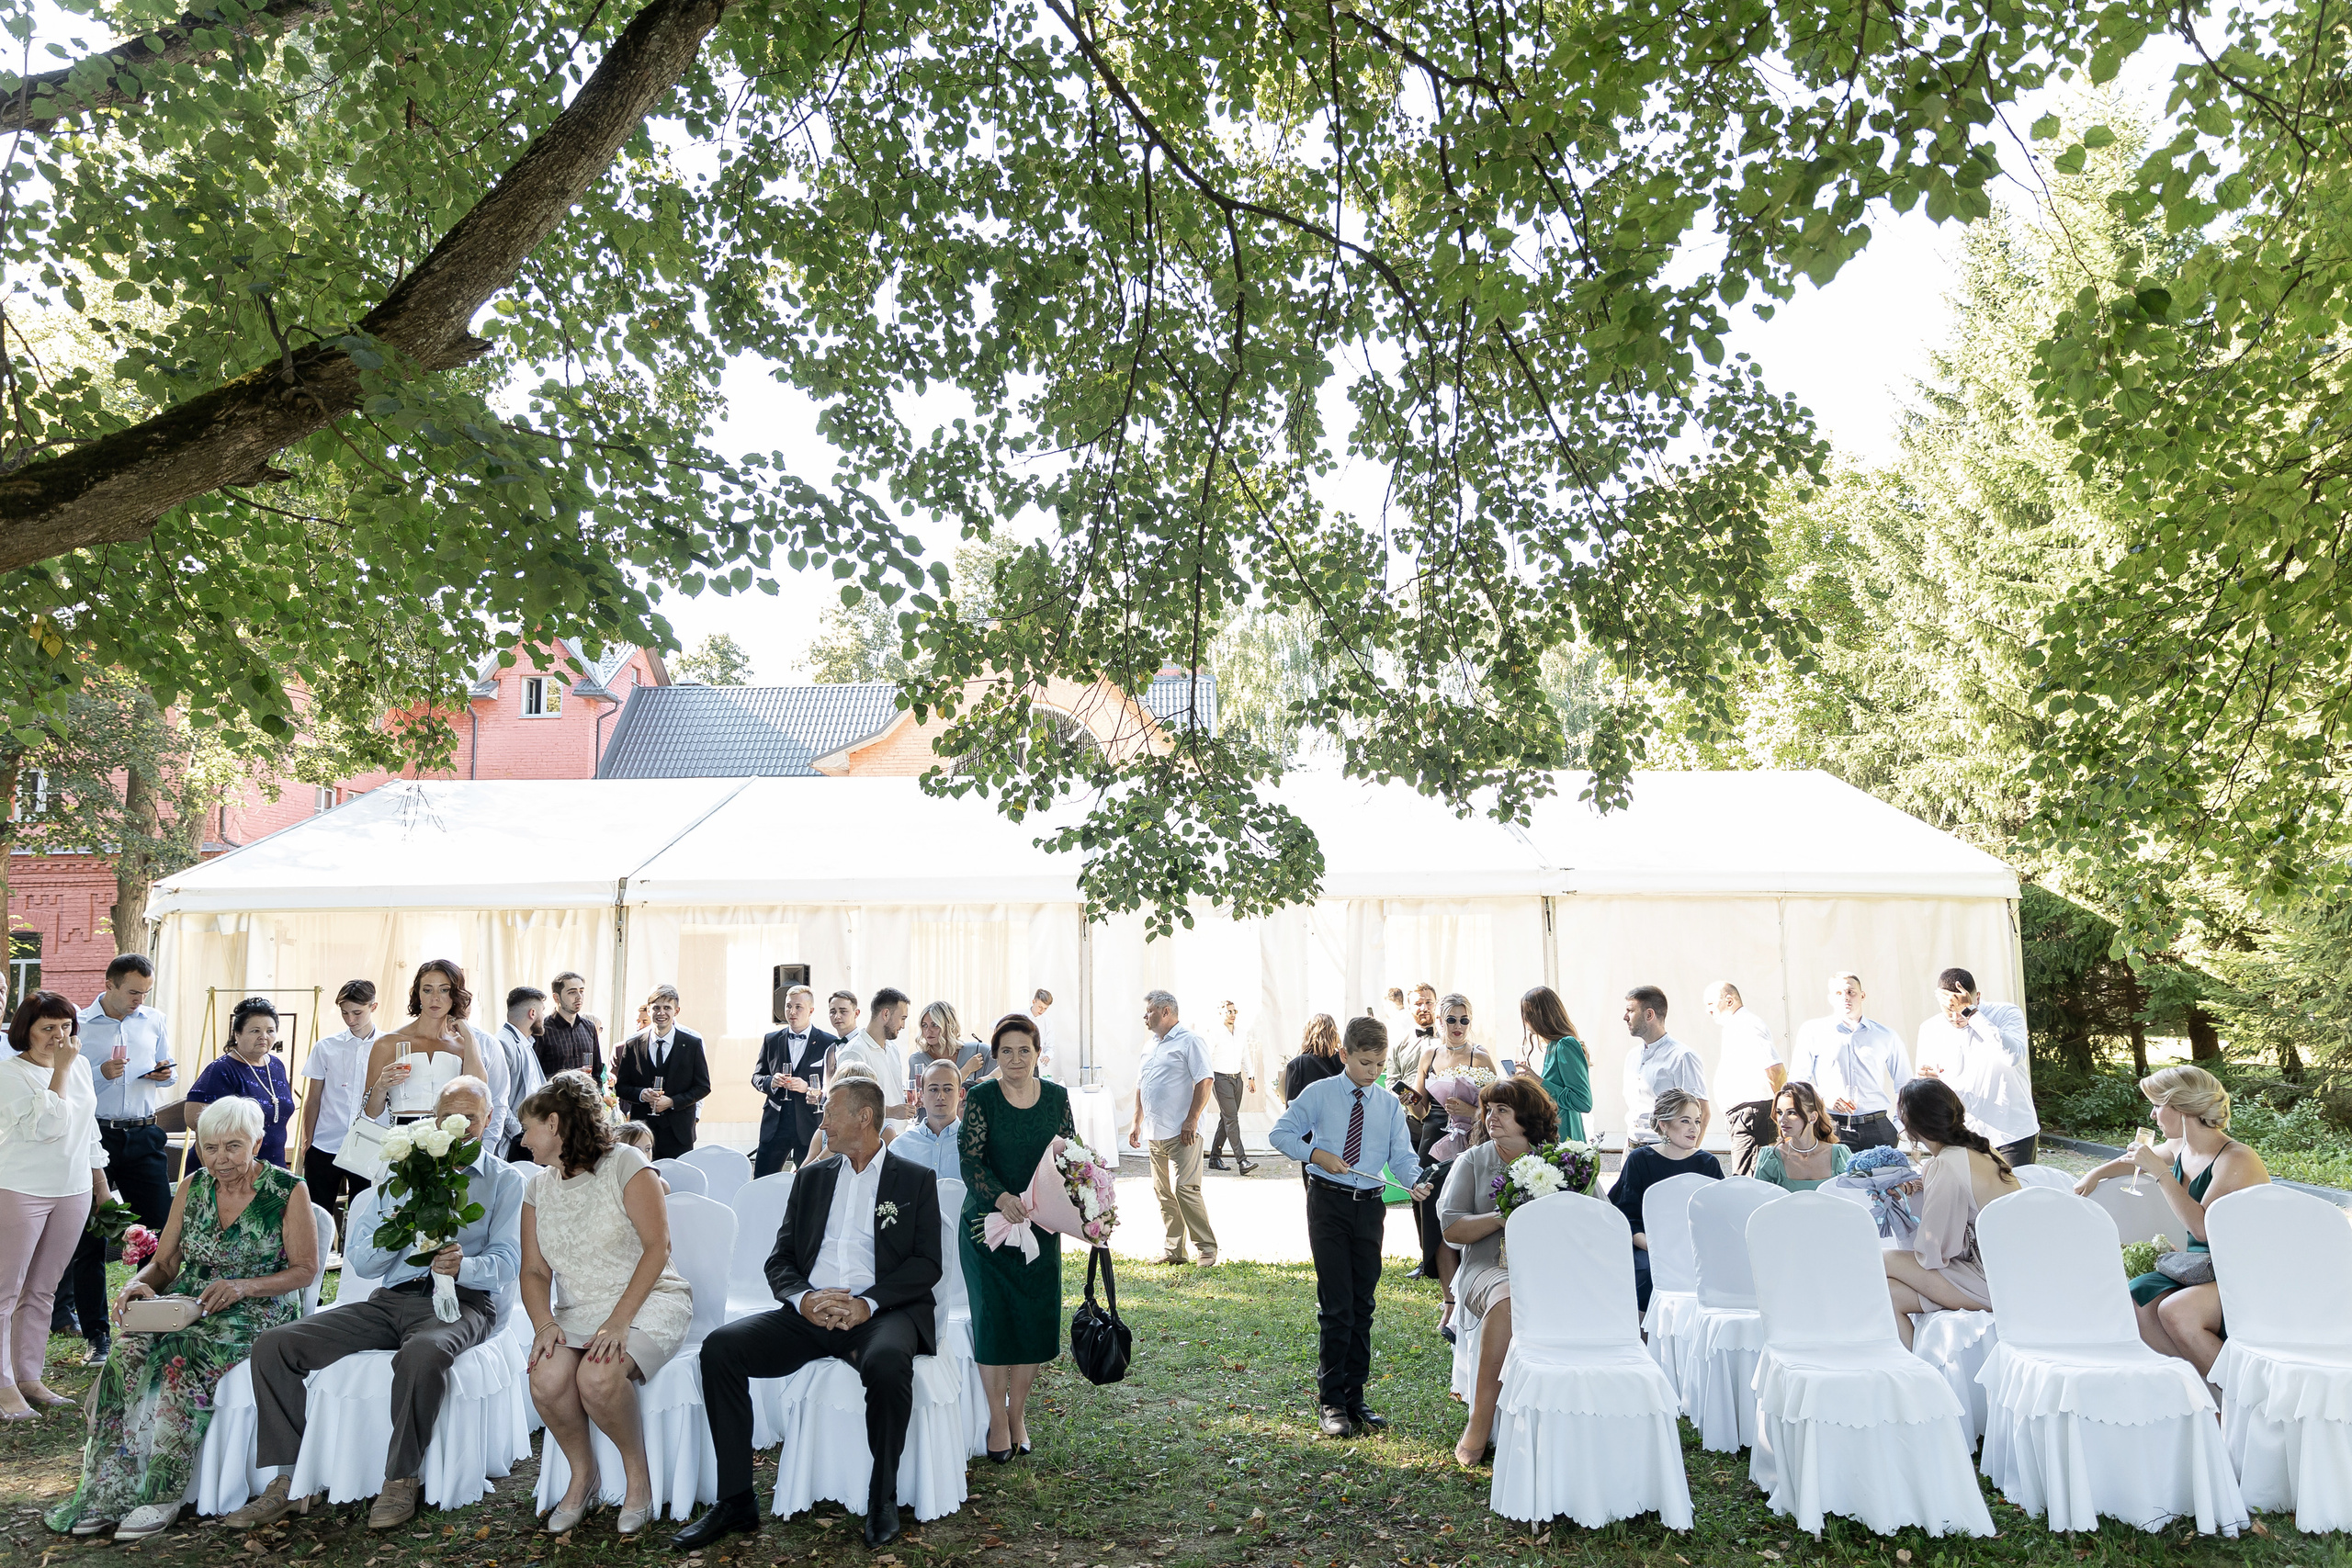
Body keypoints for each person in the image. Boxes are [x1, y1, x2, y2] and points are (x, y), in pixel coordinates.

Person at [226, 1077, 525, 1531]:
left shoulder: (504, 1180)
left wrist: (462, 1265)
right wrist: (403, 1230)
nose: (459, 1127)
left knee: (423, 1353)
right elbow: (363, 1262)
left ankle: (401, 1477)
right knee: (275, 1345)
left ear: (487, 1124)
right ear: (434, 1118)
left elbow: (507, 1262)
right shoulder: (399, 1171)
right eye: (448, 1117)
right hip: (390, 1299)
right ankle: (288, 1481)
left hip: (462, 1302)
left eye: (470, 1119)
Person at [675, 1077, 943, 1552]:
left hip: (881, 1312)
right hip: (811, 1313)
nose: (822, 1122)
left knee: (886, 1365)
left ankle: (882, 1498)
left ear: (864, 1117)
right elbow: (780, 1260)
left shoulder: (913, 1180)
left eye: (831, 1112)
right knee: (721, 1349)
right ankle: (736, 1499)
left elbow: (926, 1264)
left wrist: (868, 1304)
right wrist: (804, 1300)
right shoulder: (813, 1176)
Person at [45, 1097, 318, 1540]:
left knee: (179, 1354)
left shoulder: (288, 1190)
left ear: (258, 1143)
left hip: (257, 1306)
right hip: (187, 1303)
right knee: (129, 1349)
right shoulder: (193, 1186)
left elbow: (306, 1269)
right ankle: (107, 1490)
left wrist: (244, 1286)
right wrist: (138, 1283)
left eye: (233, 1146)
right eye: (209, 1148)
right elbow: (166, 1262)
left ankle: (162, 1492)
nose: (220, 1158)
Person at [516, 1072, 695, 1537]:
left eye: (528, 1127)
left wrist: (619, 1321)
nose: (522, 1138)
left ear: (553, 1124)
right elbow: (534, 1272)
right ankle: (584, 1476)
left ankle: (638, 1478)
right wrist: (542, 1324)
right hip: (579, 1310)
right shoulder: (537, 1188)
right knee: (547, 1375)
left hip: (648, 1300)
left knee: (597, 1376)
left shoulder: (626, 1163)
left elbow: (659, 1247)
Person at [1269, 1017, 1431, 1438]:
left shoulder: (1388, 1104)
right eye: (1364, 1063)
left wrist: (1415, 1180)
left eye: (1379, 1064)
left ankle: (1355, 1397)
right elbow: (1280, 1133)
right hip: (1328, 1204)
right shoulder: (1320, 1093)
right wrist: (1316, 1154)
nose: (1373, 1072)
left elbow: (1401, 1156)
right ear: (1344, 1055)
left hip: (1369, 1208)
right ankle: (1331, 1402)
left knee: (1363, 1304)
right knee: (1337, 1305)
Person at [2075, 1065, 2269, 1377]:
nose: (2152, 1115)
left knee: (2177, 1311)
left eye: (2157, 1105)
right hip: (2203, 1269)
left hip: (2244, 1271)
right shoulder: (2182, 1147)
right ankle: (2201, 1390)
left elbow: (2204, 1229)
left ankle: (2243, 1398)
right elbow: (2135, 1161)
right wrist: (2096, 1173)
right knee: (2138, 1297)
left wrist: (2162, 1174)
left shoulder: (2236, 1159)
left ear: (2180, 1108)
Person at [959, 1013, 1078, 1458]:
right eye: (1005, 1050)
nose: (1015, 1058)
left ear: (1037, 1053)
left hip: (1040, 1228)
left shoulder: (1057, 1098)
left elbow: (1071, 1157)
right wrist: (1002, 1197)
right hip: (986, 1228)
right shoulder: (981, 1097)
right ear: (994, 1055)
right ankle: (995, 1418)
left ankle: (1017, 1414)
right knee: (994, 1323)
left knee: (1031, 1322)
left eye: (1023, 1050)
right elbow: (970, 1161)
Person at [1439, 1075, 1561, 1469]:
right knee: (1509, 1296)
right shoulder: (1472, 1161)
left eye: (1503, 1111)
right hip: (1487, 1269)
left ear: (1528, 1117)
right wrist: (1501, 1216)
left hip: (1551, 1272)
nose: (1492, 1117)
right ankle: (1480, 1421)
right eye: (1488, 1110)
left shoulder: (1563, 1161)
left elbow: (1598, 1217)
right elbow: (1452, 1228)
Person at [61, 955, 175, 1371]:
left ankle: (150, 1325)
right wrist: (101, 1072)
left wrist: (164, 1075)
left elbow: (170, 1070)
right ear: (109, 984)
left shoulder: (154, 1019)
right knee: (92, 1239)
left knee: (162, 1234)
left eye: (145, 992)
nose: (138, 1000)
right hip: (95, 1137)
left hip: (144, 1133)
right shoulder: (77, 1021)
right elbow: (64, 1077)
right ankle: (97, 1337)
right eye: (132, 992)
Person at [0, 991, 111, 1417]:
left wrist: (101, 1187)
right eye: (47, 1028)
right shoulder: (10, 1074)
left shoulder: (79, 1065)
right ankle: (3, 1383)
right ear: (25, 1031)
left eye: (66, 1027)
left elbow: (88, 1131)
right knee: (6, 1290)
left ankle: (29, 1377)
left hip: (74, 1189)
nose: (59, 1037)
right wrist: (60, 1072)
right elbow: (49, 1126)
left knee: (43, 1289)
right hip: (19, 1189)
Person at [1882, 1077, 2020, 1350]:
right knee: (1888, 1293)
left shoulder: (1945, 1164)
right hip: (2017, 1272)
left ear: (1910, 1125)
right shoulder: (1983, 1150)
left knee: (1880, 1260)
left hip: (1992, 1279)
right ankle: (1923, 1375)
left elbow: (1935, 1253)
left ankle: (1916, 1383)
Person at [1412, 994, 1498, 1324]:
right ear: (1440, 1021)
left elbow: (1498, 1106)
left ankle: (1472, 1290)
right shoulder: (1429, 1054)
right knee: (1435, 1218)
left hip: (1470, 1142)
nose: (1458, 1026)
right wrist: (1409, 1098)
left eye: (1464, 1020)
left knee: (1466, 1214)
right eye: (1451, 1020)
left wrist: (1473, 1110)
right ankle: (1449, 1300)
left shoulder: (1481, 1057)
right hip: (1434, 1139)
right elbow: (1420, 1109)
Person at [1610, 1088, 1723, 1311]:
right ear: (1663, 1124)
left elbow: (1719, 1218)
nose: (1694, 1128)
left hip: (1697, 1251)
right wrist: (1657, 1249)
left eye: (1697, 1121)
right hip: (1650, 1250)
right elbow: (1626, 1217)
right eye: (1685, 1121)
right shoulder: (1640, 1160)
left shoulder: (1708, 1164)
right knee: (1645, 1274)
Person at [1913, 968, 2038, 1167]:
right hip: (1963, 1137)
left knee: (2015, 1196)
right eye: (1949, 1010)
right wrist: (1930, 1082)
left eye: (1960, 1008)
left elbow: (2013, 1056)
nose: (1955, 1017)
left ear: (1977, 998)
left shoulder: (2006, 1013)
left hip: (2011, 1133)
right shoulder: (1930, 1028)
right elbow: (1926, 1084)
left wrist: (1971, 1014)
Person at [1128, 990, 1217, 1266]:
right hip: (1155, 1132)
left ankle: (1206, 1248)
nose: (1145, 1016)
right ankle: (1174, 1251)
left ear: (1166, 1011)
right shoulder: (1149, 1046)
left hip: (1183, 1132)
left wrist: (1191, 1120)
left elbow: (1205, 1080)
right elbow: (1142, 1086)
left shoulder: (1190, 1041)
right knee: (1163, 1192)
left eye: (1149, 1011)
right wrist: (1136, 1122)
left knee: (1185, 1189)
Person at [362, 960, 492, 1130]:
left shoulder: (462, 1045)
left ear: (455, 995)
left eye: (444, 990)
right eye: (427, 990)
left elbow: (478, 1092)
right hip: (402, 1142)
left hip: (450, 1139)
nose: (435, 997)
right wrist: (381, 1085)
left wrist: (468, 1035)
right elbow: (371, 1112)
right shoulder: (388, 1043)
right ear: (418, 995)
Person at [1786, 974, 1908, 1153]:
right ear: (1830, 998)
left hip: (1878, 1127)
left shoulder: (1885, 1035)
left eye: (1851, 992)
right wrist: (1824, 1098)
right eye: (1838, 993)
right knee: (1835, 1180)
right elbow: (1797, 1080)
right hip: (1833, 1126)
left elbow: (1905, 1083)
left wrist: (1898, 1126)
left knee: (1882, 1180)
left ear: (1862, 995)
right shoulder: (1813, 1031)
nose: (1845, 997)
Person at [296, 979, 379, 1238]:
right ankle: (312, 1275)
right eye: (345, 1013)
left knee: (363, 1216)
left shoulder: (387, 1045)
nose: (350, 1019)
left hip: (369, 1143)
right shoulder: (326, 1047)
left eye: (357, 1012)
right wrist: (307, 1139)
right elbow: (313, 1098)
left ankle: (356, 1275)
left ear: (373, 1006)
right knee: (317, 1215)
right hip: (325, 1143)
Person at [187, 998, 300, 1168]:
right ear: (237, 1034)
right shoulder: (222, 1069)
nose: (263, 1037)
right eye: (255, 1031)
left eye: (270, 1031)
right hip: (230, 1169)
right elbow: (194, 1120)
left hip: (273, 1166)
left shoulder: (276, 1066)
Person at [615, 985, 709, 1159]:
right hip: (641, 1134)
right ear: (649, 1010)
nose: (661, 1013)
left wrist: (672, 1101)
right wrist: (642, 1094)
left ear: (676, 1011)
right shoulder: (632, 1044)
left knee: (677, 1183)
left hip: (678, 1132)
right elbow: (621, 1087)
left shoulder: (692, 1044)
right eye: (656, 1008)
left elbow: (703, 1087)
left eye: (667, 1008)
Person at [753, 984, 837, 1176]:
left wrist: (808, 1087)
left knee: (809, 1183)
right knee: (762, 1181)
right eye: (788, 1006)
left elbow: (834, 1086)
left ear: (811, 1010)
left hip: (809, 1125)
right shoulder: (771, 1040)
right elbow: (757, 1076)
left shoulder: (828, 1042)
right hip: (775, 1124)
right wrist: (771, 1082)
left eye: (798, 1007)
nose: (792, 1011)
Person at [1704, 982, 1784, 1176]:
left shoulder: (1747, 1023)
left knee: (1749, 1180)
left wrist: (1782, 1109)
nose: (1708, 1011)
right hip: (1746, 1115)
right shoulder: (1737, 1025)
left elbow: (1775, 1069)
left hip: (1752, 1115)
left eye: (1710, 1004)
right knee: (1747, 1177)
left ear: (1729, 1000)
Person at [1620, 986, 1706, 1147]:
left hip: (1664, 1149)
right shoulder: (1632, 1056)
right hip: (1632, 1148)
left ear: (1649, 1014)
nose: (1625, 1017)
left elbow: (1702, 1113)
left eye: (1630, 1010)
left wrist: (1687, 1157)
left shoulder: (1682, 1057)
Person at [1516, 986, 1589, 1142]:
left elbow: (1583, 1102)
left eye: (1527, 1014)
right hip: (1552, 1135)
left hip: (1567, 1139)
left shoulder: (1565, 1045)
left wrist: (1540, 1082)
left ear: (1541, 1015)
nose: (1524, 1020)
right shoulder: (1552, 1046)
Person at [1752, 1081, 1852, 1192]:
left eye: (1792, 1113)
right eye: (1779, 1112)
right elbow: (1760, 1204)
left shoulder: (1840, 1155)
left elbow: (1855, 1199)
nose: (1782, 1120)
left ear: (1813, 1117)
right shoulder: (1771, 1157)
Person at [832, 988, 915, 1122]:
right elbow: (849, 1103)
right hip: (876, 1138)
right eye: (902, 1018)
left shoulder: (893, 1048)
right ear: (886, 1014)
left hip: (900, 1135)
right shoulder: (854, 1052)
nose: (903, 1026)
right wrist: (892, 1111)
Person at [492, 987, 550, 1162]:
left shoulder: (526, 1043)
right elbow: (497, 1098)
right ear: (532, 1013)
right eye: (542, 1012)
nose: (544, 1018)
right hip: (512, 1145)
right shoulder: (503, 1043)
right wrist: (519, 1132)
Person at [894, 1059, 967, 1183]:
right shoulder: (900, 1147)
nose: (940, 1097)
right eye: (933, 1089)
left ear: (961, 1094)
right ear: (921, 1095)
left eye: (948, 1089)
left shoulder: (976, 1144)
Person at [1205, 1000, 1256, 1173]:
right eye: (1229, 1011)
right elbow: (1206, 1058)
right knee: (1232, 1119)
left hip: (1237, 1080)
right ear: (1221, 1013)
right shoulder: (1214, 1034)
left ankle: (1214, 1158)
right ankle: (1242, 1161)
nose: (1233, 1014)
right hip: (1220, 1079)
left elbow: (1246, 1055)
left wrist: (1251, 1076)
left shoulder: (1241, 1033)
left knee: (1227, 1119)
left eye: (1235, 1011)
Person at [536, 972, 605, 1083]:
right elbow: (534, 1076)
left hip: (585, 1099)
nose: (579, 997)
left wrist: (597, 1097)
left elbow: (597, 1073)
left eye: (581, 991)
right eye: (572, 992)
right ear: (556, 997)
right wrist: (567, 1077)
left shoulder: (589, 1027)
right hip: (556, 1099)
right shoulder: (541, 1029)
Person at [910, 1001, 989, 1091]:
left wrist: (991, 1076)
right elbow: (930, 1095)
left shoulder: (978, 1050)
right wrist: (967, 1070)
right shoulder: (918, 1060)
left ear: (949, 1025)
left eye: (935, 1025)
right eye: (924, 1025)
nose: (928, 1031)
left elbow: (1004, 1070)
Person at [1281, 1013, 1345, 1105]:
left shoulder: (1297, 1065)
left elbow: (1291, 1107)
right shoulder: (1344, 1062)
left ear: (1307, 1034)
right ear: (1334, 1034)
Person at [1027, 988, 1056, 1080]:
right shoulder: (1020, 1015)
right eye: (1040, 1007)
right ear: (1033, 1001)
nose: (1042, 1010)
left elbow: (1050, 1045)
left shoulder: (1047, 1022)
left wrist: (1048, 1055)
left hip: (1038, 1063)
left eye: (1045, 1008)